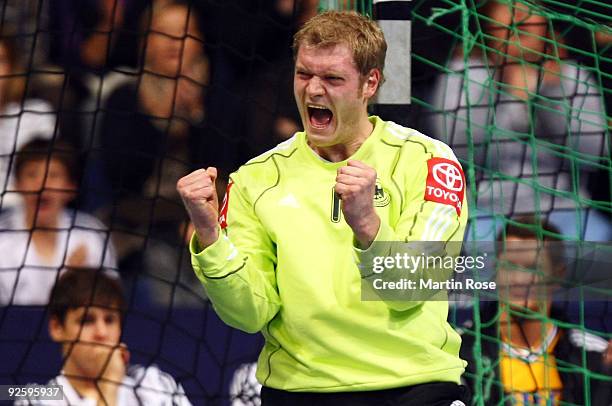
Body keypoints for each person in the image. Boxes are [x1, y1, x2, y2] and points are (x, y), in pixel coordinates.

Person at [178, 11, 470, 405]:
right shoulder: (256, 179)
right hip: (301, 389)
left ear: (370, 83)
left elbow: (413, 288)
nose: (313, 90)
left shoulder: (431, 163)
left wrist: (367, 224)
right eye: (303, 74)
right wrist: (211, 238)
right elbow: (248, 313)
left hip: (413, 384)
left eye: (332, 78)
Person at [429, 0, 610, 241]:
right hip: (484, 211)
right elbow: (453, 151)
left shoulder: (571, 77)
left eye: (528, 11)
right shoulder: (465, 73)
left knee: (596, 243)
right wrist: (499, 85)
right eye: (508, 10)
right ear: (488, 25)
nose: (519, 16)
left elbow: (592, 154)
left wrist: (550, 91)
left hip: (565, 209)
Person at [460, 216, 612, 405]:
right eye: (509, 266)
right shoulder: (459, 351)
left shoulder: (594, 355)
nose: (518, 279)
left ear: (558, 275)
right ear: (495, 270)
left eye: (533, 268)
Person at [14, 267, 192, 405]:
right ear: (56, 328)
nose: (101, 333)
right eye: (86, 320)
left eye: (110, 320)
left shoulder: (155, 385)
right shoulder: (34, 398)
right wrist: (108, 388)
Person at [0, 138, 116, 305]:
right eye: (32, 174)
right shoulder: (2, 240)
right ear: (17, 185)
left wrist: (82, 281)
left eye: (53, 175)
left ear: (70, 187)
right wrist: (68, 281)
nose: (42, 184)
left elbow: (108, 306)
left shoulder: (91, 236)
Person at [0, 32, 57, 210]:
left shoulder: (37, 114)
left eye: (0, 61)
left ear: (12, 67)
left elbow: (47, 177)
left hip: (27, 214)